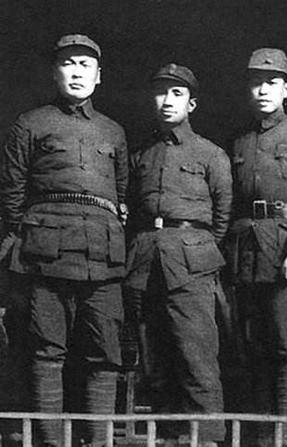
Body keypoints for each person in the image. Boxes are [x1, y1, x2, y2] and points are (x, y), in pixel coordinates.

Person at [0, 34, 128, 446]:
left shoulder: (114, 131)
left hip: (103, 256)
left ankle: (99, 442)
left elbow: (120, 194)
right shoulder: (30, 124)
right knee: (46, 351)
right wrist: (31, 234)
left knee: (105, 352)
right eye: (68, 63)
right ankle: (51, 443)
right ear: (55, 72)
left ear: (98, 75)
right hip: (45, 254)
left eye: (85, 64)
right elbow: (12, 194)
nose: (76, 72)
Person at [125, 64, 232, 446]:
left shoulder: (211, 154)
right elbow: (132, 210)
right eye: (161, 92)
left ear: (192, 103)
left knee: (196, 359)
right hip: (144, 264)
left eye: (177, 93)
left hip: (192, 267)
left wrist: (195, 252)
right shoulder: (140, 155)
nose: (167, 101)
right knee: (154, 362)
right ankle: (167, 439)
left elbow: (222, 217)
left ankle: (207, 440)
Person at [225, 48, 287, 447]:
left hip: (286, 253)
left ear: (286, 88)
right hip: (245, 256)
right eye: (256, 82)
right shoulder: (239, 139)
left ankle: (286, 441)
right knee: (254, 348)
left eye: (272, 82)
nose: (263, 90)